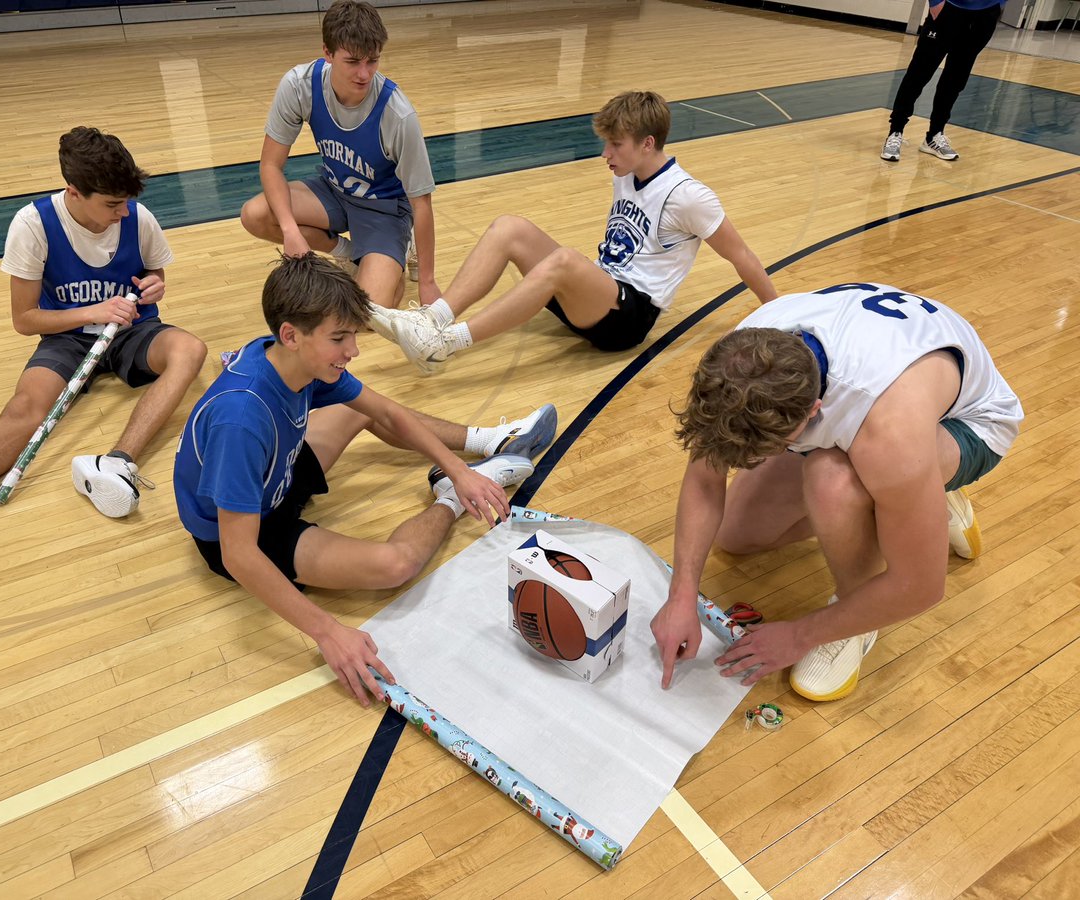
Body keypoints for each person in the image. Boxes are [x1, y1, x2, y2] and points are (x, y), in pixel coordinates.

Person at [173, 254, 553, 706]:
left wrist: (460, 466)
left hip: (277, 472)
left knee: (358, 409)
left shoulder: (287, 358)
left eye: (353, 334)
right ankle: (448, 501)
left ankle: (489, 441)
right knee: (396, 566)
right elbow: (239, 555)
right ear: (291, 335)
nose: (353, 350)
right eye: (339, 338)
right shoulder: (242, 419)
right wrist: (328, 632)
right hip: (241, 531)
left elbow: (388, 412)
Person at [650, 282, 1023, 701]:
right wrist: (681, 595)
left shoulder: (889, 429)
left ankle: (859, 608)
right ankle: (916, 504)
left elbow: (920, 586)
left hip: (967, 424)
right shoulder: (738, 360)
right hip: (878, 383)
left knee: (832, 481)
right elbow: (705, 474)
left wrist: (800, 634)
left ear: (813, 413)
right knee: (738, 534)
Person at [0, 126, 207, 548]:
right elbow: (25, 319)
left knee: (191, 350)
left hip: (131, 329)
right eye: (111, 204)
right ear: (74, 192)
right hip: (66, 336)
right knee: (26, 406)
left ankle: (117, 463)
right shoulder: (33, 224)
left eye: (126, 202)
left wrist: (155, 285)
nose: (123, 213)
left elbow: (154, 270)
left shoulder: (137, 217)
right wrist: (95, 311)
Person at [368, 90, 777, 375]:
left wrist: (781, 312)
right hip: (596, 293)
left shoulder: (688, 196)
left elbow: (740, 255)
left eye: (615, 145)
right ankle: (433, 321)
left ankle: (445, 345)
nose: (605, 154)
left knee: (565, 260)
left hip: (627, 318)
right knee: (510, 227)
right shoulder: (628, 171)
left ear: (648, 143)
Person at [239, 0, 438, 312]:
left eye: (373, 61)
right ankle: (347, 253)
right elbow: (270, 165)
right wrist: (290, 232)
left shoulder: (397, 114)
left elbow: (421, 202)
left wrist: (427, 282)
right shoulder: (299, 85)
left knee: (366, 314)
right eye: (353, 61)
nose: (364, 74)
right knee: (256, 215)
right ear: (328, 53)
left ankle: (399, 253)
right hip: (334, 190)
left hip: (384, 209)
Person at [880, 0, 1006, 162]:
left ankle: (934, 135)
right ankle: (895, 131)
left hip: (986, 14)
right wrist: (936, 3)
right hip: (949, 9)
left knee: (956, 77)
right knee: (919, 74)